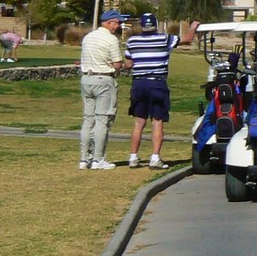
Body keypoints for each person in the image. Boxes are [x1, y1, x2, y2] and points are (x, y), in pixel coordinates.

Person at [124, 12, 198, 169]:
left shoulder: (132, 41)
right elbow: (187, 39)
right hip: (157, 82)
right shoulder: (165, 39)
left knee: (139, 122)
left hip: (139, 83)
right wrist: (193, 27)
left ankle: (133, 157)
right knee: (157, 121)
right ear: (155, 25)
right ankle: (155, 157)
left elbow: (128, 64)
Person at [79, 11, 132, 169]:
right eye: (116, 23)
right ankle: (98, 159)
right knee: (103, 119)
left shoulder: (88, 37)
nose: (118, 26)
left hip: (86, 79)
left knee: (88, 119)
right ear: (109, 23)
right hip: (103, 79)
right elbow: (117, 64)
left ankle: (84, 159)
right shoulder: (111, 39)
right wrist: (125, 65)